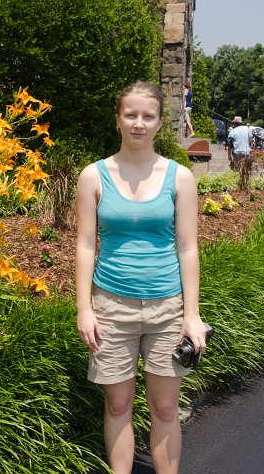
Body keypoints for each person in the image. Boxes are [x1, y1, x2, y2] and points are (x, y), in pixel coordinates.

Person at [75, 81, 207, 474]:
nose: (138, 123)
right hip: (111, 307)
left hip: (168, 308)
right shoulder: (93, 176)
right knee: (118, 404)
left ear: (159, 123)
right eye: (130, 115)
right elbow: (84, 245)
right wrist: (84, 308)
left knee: (165, 407)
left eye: (147, 116)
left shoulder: (180, 177)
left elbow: (188, 248)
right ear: (118, 120)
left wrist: (191, 315)